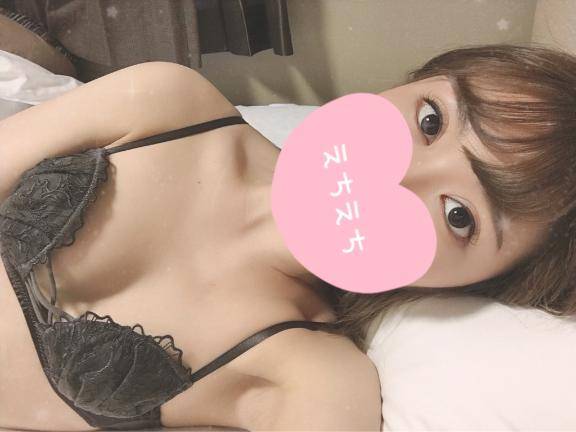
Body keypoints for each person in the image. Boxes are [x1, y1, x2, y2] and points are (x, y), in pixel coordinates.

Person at [0, 42, 575, 431]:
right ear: (416, 81)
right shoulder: (166, 102)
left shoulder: (316, 383)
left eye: (459, 216)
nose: (400, 174)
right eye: (432, 121)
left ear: (485, 283)